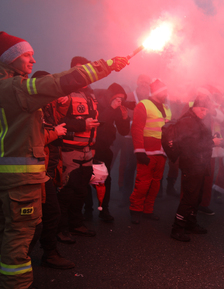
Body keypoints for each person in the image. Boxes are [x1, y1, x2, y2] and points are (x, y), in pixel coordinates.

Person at [0, 31, 128, 289]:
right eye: (26, 54)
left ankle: (23, 272)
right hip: (19, 176)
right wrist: (105, 65)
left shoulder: (9, 88)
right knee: (21, 230)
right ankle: (14, 287)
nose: (33, 60)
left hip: (25, 174)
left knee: (25, 225)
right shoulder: (13, 88)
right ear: (9, 59)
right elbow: (58, 83)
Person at [27, 72, 75, 270]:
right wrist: (55, 133)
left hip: (48, 167)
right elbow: (32, 140)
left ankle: (48, 253)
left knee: (49, 215)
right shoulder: (30, 106)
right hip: (33, 171)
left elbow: (59, 118)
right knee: (34, 221)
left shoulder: (46, 104)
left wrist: (63, 101)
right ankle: (21, 259)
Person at [55, 56, 102, 243]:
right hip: (69, 150)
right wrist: (83, 125)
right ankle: (61, 228)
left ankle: (76, 224)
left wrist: (93, 145)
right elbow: (58, 121)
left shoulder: (91, 95)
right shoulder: (64, 93)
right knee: (66, 192)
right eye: (78, 70)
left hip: (87, 150)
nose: (82, 74)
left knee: (82, 191)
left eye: (85, 69)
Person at [168, 95, 221, 241]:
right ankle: (177, 228)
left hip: (200, 164)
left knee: (196, 196)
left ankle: (190, 223)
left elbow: (199, 141)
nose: (204, 113)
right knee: (189, 197)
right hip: (191, 164)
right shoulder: (188, 122)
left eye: (206, 110)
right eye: (202, 109)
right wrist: (212, 142)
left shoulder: (196, 120)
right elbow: (191, 145)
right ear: (195, 107)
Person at [85, 83, 130, 222]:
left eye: (122, 99)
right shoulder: (97, 102)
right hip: (90, 146)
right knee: (86, 178)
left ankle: (104, 209)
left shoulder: (116, 107)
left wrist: (124, 118)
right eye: (117, 98)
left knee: (105, 179)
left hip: (105, 147)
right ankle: (88, 209)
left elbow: (123, 131)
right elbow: (100, 121)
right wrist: (112, 107)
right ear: (111, 97)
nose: (119, 101)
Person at [129, 79, 171, 224]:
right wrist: (139, 151)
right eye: (164, 91)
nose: (166, 93)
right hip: (147, 152)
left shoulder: (166, 108)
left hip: (161, 152)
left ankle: (148, 210)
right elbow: (137, 129)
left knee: (155, 184)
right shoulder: (143, 105)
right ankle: (135, 210)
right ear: (158, 92)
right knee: (143, 183)